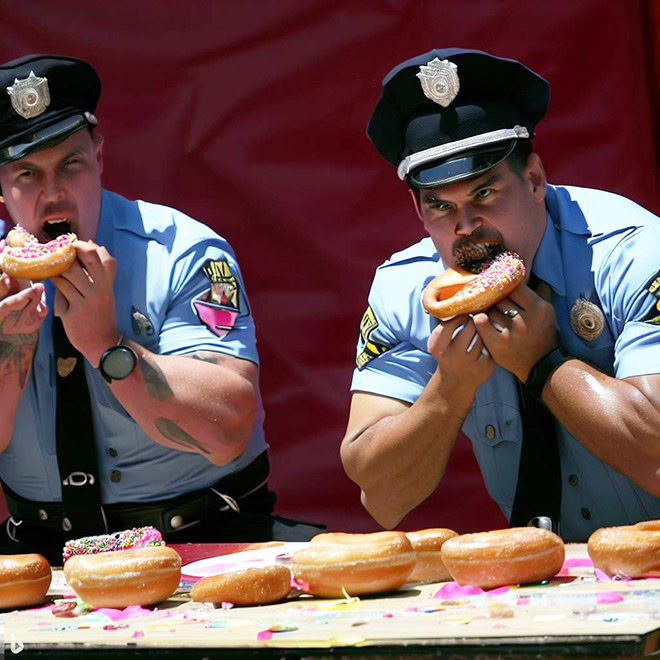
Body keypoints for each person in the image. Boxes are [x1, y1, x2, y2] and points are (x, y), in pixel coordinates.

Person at [0, 54, 322, 564]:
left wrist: (106, 346)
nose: (54, 193)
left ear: (99, 159)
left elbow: (228, 433)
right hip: (40, 549)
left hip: (201, 536)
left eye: (71, 164)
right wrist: (7, 349)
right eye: (26, 173)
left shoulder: (182, 251)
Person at [340, 48, 660, 542]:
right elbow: (380, 495)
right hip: (540, 573)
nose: (467, 229)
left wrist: (543, 365)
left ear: (533, 179)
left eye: (484, 194)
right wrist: (449, 390)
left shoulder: (632, 251)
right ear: (416, 209)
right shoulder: (406, 288)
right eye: (440, 207)